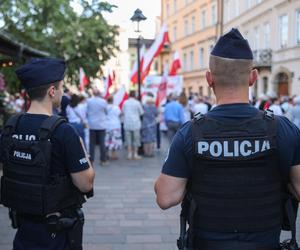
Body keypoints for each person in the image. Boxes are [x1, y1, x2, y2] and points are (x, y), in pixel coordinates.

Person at [154, 29, 300, 250]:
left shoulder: (190, 132)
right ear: (253, 77)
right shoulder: (283, 129)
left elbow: (165, 197)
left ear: (209, 78)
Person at [0, 58, 95, 250]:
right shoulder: (64, 131)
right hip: (57, 233)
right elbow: (85, 184)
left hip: (23, 230)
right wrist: (84, 153)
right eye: (61, 87)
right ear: (52, 91)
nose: (63, 91)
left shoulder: (10, 126)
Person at [86, 88, 108, 165]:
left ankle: (91, 160)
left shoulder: (89, 101)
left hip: (92, 124)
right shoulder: (103, 101)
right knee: (102, 142)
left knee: (92, 143)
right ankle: (103, 160)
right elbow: (106, 111)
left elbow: (86, 111)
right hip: (101, 124)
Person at [122, 90, 144, 160]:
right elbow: (141, 113)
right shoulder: (137, 103)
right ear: (135, 95)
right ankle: (135, 154)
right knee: (136, 140)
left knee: (128, 140)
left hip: (127, 123)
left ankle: (129, 154)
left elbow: (123, 111)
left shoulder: (125, 102)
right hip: (135, 123)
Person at [105, 95, 122, 160]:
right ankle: (114, 154)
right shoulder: (116, 107)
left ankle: (107, 154)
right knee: (115, 140)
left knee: (107, 140)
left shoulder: (105, 107)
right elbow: (120, 114)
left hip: (107, 125)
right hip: (115, 125)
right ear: (113, 100)